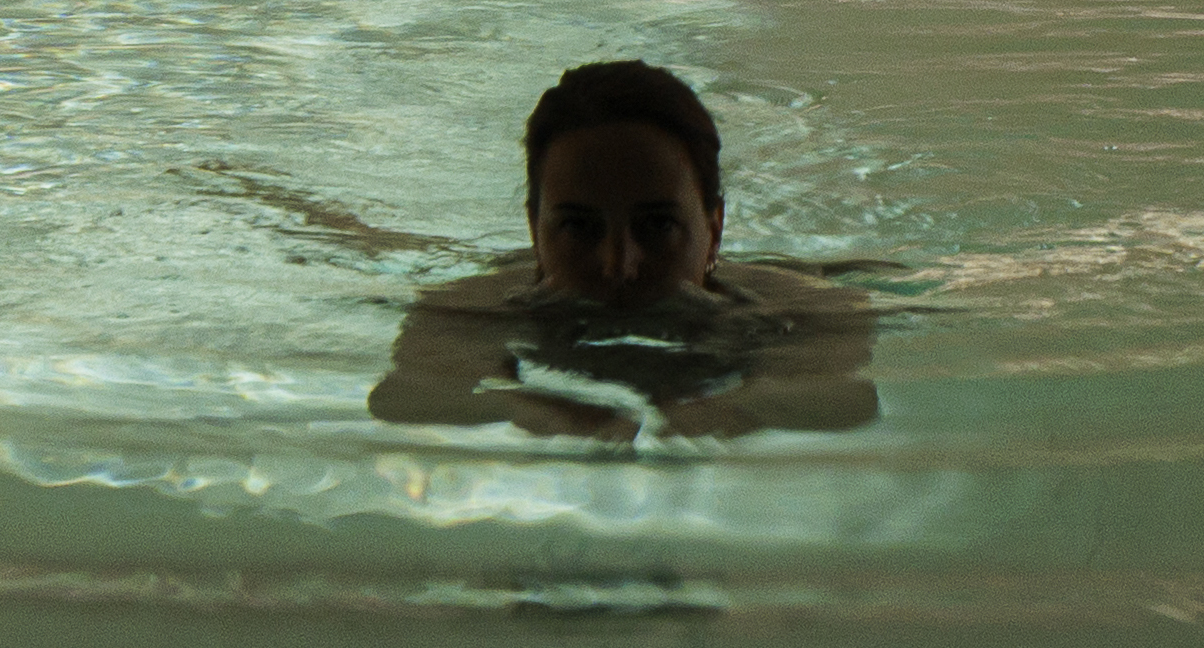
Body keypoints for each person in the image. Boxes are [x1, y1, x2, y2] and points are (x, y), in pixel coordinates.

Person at [365, 61, 880, 441]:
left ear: (714, 229)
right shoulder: (469, 306)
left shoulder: (804, 307)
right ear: (533, 230)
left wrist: (739, 408)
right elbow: (403, 398)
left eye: (656, 225)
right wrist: (523, 407)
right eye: (577, 227)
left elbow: (846, 401)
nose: (619, 265)